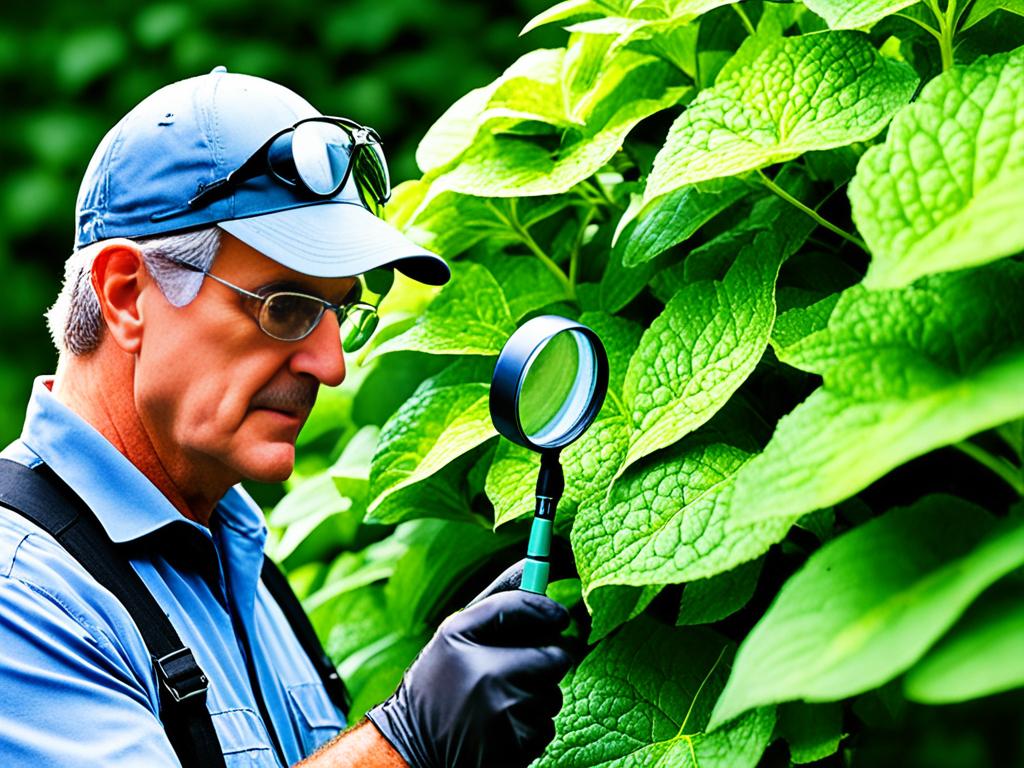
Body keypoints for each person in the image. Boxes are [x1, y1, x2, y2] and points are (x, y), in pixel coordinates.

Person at [0, 68, 572, 767]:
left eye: (336, 312)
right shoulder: (21, 594)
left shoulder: (239, 556)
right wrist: (405, 745)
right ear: (125, 296)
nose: (329, 366)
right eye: (287, 308)